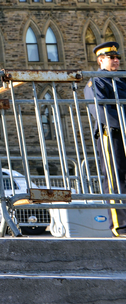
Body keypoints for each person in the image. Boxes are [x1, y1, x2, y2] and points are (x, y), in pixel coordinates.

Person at [85, 41, 126, 237]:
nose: (116, 61)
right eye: (112, 58)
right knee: (116, 179)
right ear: (101, 60)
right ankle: (121, 226)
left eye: (118, 58)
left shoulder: (122, 80)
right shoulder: (97, 81)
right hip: (113, 134)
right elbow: (100, 109)